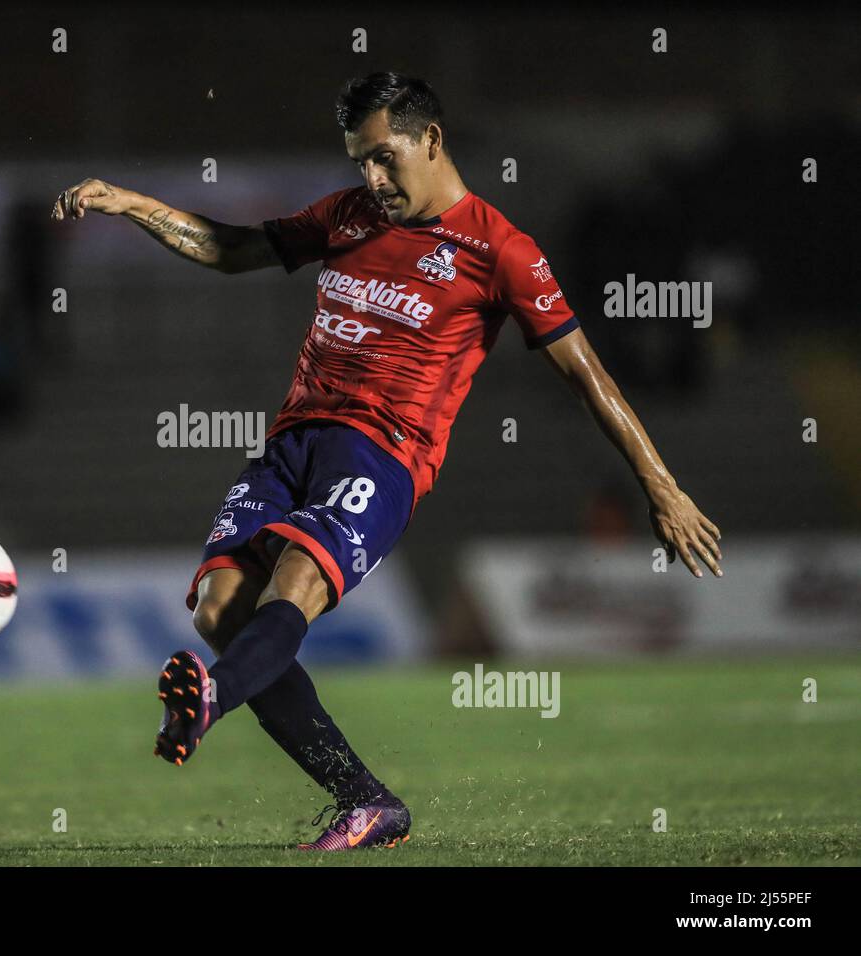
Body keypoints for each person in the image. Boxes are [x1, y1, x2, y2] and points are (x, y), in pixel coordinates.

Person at [49, 72, 723, 851]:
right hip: (291, 443)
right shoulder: (348, 216)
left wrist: (662, 488)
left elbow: (588, 376)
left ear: (430, 141)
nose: (370, 178)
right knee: (218, 609)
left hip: (383, 454)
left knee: (295, 582)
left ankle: (208, 699)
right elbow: (232, 251)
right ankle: (367, 801)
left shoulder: (501, 250)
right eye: (358, 161)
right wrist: (133, 203)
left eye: (382, 157)